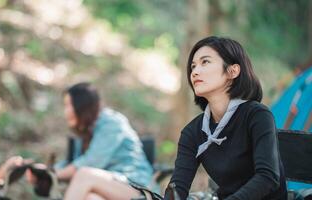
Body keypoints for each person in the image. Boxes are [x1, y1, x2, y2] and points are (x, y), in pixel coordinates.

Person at [164, 36, 287, 200]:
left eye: (205, 62)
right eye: (193, 67)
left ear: (233, 71)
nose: (194, 72)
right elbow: (178, 188)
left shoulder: (257, 116)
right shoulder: (192, 132)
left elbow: (268, 177)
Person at [27, 82, 154, 200]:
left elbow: (89, 164)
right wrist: (45, 172)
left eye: (68, 105)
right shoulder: (85, 130)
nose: (65, 111)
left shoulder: (112, 124)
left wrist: (54, 174)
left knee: (84, 174)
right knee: (91, 198)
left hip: (137, 188)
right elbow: (73, 164)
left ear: (81, 106)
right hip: (107, 187)